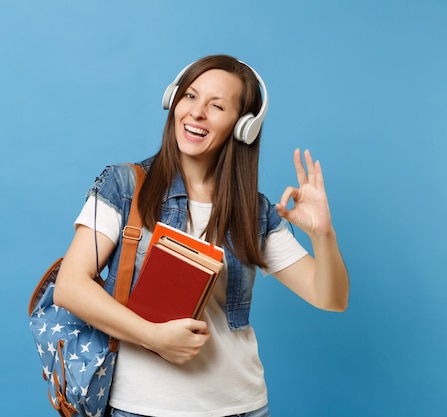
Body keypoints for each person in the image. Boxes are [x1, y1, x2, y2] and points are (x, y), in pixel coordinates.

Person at [53, 54, 349, 417]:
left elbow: (330, 297)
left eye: (217, 106)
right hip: (143, 408)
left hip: (242, 406)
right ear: (173, 100)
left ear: (244, 127)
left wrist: (323, 234)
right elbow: (69, 286)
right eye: (190, 97)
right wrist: (153, 336)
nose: (196, 113)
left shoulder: (253, 212)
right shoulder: (125, 185)